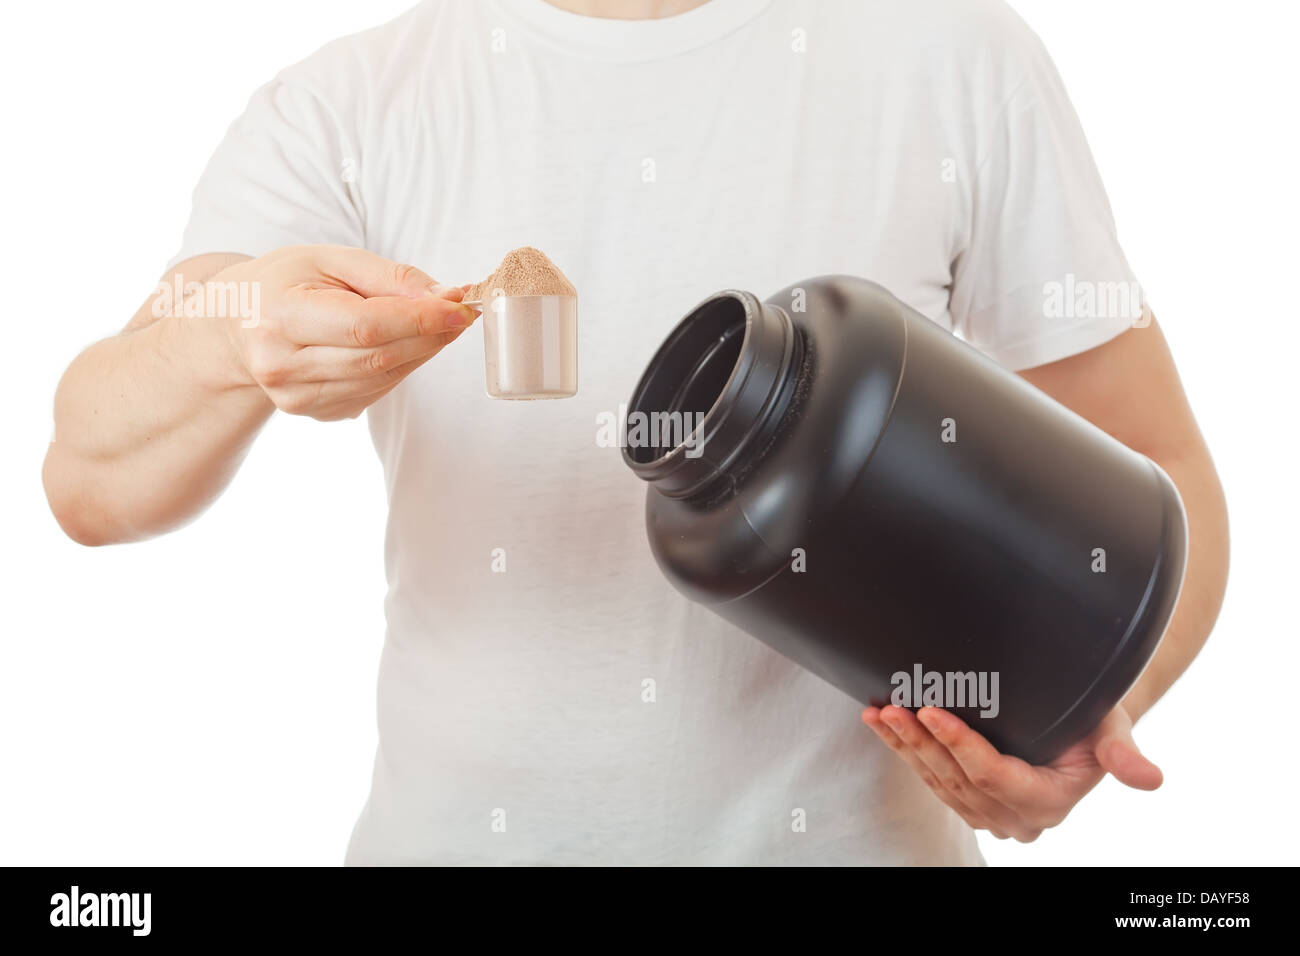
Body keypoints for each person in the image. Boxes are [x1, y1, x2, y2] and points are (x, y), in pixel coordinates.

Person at [42, 0, 1229, 864]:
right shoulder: (347, 105)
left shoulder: (951, 54)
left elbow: (1160, 472)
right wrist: (230, 337)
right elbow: (92, 480)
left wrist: (1071, 725)